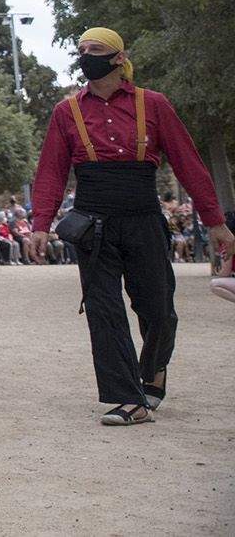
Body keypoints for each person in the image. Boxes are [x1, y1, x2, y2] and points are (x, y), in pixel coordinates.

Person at [30, 27, 234, 426]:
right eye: (82, 49)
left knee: (158, 309)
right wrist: (40, 224)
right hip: (92, 222)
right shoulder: (66, 112)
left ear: (119, 58)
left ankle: (154, 372)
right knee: (103, 311)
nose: (86, 55)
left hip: (143, 217)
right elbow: (51, 172)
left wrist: (215, 222)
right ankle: (128, 398)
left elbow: (188, 162)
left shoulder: (153, 104)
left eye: (95, 49)